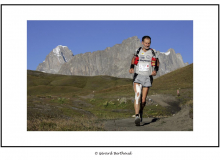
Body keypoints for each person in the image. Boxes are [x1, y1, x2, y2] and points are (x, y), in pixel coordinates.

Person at [129, 36, 159, 126]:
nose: (147, 45)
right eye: (145, 43)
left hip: (148, 77)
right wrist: (131, 67)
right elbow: (133, 59)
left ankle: (141, 111)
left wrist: (155, 70)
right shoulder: (137, 51)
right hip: (138, 76)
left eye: (149, 43)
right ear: (142, 42)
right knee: (137, 95)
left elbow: (157, 62)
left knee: (143, 100)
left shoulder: (153, 52)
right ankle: (137, 116)